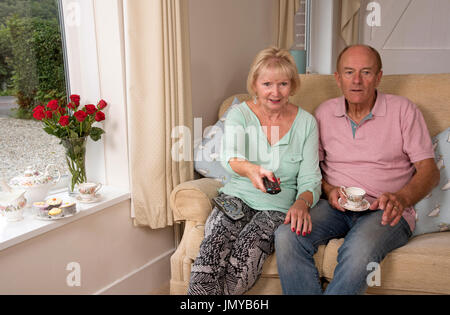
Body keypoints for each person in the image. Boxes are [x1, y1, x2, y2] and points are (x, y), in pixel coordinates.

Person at [275, 45, 440, 295]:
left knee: (359, 250)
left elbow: (429, 170)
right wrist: (328, 190)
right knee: (287, 235)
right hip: (334, 207)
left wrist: (401, 198)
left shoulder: (404, 110)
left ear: (379, 76)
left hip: (386, 210)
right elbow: (311, 169)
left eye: (366, 72)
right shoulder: (323, 113)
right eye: (349, 72)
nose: (357, 81)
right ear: (338, 78)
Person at [187, 47, 322, 295]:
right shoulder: (240, 114)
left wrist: (303, 202)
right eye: (267, 83)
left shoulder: (306, 123)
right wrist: (251, 170)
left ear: (292, 86)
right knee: (208, 260)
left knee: (239, 270)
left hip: (277, 208)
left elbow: (311, 178)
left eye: (283, 84)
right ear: (255, 85)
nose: (275, 92)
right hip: (236, 197)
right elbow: (230, 157)